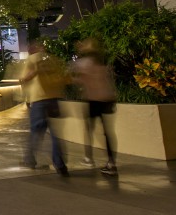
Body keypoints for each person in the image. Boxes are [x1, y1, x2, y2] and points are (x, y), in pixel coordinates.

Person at [19, 41, 69, 176]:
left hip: (39, 99)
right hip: (54, 100)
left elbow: (25, 79)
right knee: (55, 135)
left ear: (31, 50)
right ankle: (60, 165)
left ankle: (29, 160)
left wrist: (26, 95)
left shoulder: (32, 59)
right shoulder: (52, 59)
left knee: (36, 132)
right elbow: (61, 78)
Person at [72, 38, 118, 176]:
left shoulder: (83, 63)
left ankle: (88, 158)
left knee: (88, 130)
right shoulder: (101, 63)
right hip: (106, 99)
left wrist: (66, 80)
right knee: (107, 132)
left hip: (93, 100)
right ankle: (111, 162)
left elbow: (80, 80)